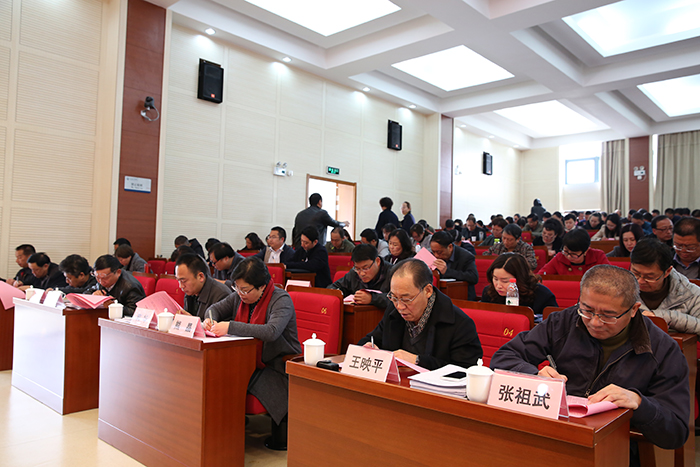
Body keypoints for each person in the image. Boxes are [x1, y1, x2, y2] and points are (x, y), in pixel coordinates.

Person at [490, 265, 689, 462]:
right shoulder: (563, 322)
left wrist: (639, 402)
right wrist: (534, 375)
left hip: (615, 446)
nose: (594, 322)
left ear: (633, 310)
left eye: (608, 315)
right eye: (587, 310)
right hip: (557, 432)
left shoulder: (662, 349)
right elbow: (504, 357)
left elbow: (676, 432)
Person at [204, 257, 301, 450]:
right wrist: (210, 319)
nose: (240, 294)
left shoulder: (281, 299)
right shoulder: (239, 296)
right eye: (237, 288)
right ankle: (225, 429)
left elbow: (271, 331)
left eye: (245, 290)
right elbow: (214, 309)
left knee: (234, 382)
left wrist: (230, 326)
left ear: (262, 286)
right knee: (217, 377)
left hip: (277, 364)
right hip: (247, 360)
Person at [358, 259, 482, 370]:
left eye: (406, 299)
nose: (399, 306)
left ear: (427, 291)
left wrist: (418, 361)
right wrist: (368, 347)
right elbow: (373, 338)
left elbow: (465, 371)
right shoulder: (393, 310)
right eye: (394, 297)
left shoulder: (460, 323)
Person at [631, 238, 700, 335]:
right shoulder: (619, 289)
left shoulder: (691, 293)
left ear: (667, 271)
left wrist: (664, 317)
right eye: (636, 273)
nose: (640, 281)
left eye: (649, 277)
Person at [480, 253, 557, 321]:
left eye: (505, 281)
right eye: (495, 279)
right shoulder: (489, 292)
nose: (498, 285)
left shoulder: (542, 295)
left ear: (520, 278)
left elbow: (555, 324)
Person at [328, 244, 392, 308]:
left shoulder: (392, 273)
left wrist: (372, 298)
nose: (362, 274)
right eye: (358, 268)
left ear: (377, 261)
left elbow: (396, 299)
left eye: (366, 268)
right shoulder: (354, 273)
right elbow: (333, 288)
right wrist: (341, 294)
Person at [175, 254, 231, 320]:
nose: (181, 286)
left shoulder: (221, 295)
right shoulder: (191, 291)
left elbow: (219, 326)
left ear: (201, 277)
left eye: (183, 281)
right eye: (178, 280)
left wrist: (193, 321)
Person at [539, 228, 610, 275]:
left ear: (586, 251)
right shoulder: (560, 257)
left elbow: (610, 278)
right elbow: (542, 275)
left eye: (574, 254)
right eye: (566, 251)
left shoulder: (598, 256)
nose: (569, 256)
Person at [431, 231, 478, 300]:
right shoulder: (433, 256)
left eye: (439, 252)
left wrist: (447, 271)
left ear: (450, 247)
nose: (436, 255)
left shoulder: (466, 257)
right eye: (433, 252)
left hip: (462, 296)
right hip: (440, 296)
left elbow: (473, 277)